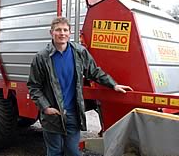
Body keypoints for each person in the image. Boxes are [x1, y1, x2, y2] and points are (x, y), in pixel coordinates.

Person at [27, 17, 132, 156]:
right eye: (58, 30)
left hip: (73, 113)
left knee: (73, 152)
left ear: (69, 33)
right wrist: (46, 108)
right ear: (51, 32)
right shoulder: (41, 57)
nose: (62, 33)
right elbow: (34, 86)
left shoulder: (79, 52)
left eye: (65, 30)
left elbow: (94, 72)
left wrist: (114, 85)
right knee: (55, 152)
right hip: (53, 115)